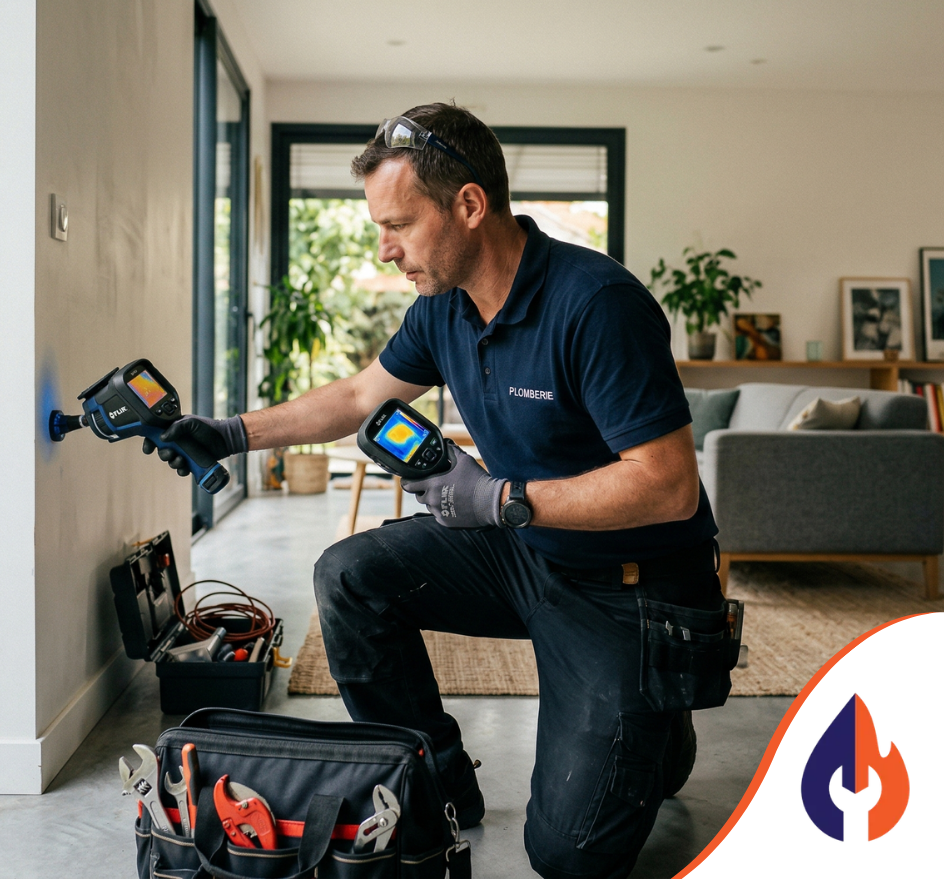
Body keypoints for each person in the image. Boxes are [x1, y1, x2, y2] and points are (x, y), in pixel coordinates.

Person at [147, 103, 727, 879]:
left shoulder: (596, 306)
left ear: (469, 205)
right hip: (528, 552)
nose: (386, 250)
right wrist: (229, 432)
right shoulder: (443, 310)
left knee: (569, 856)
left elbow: (668, 489)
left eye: (400, 225)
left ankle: (657, 720)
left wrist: (498, 500)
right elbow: (358, 399)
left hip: (629, 587)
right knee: (351, 576)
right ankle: (439, 783)